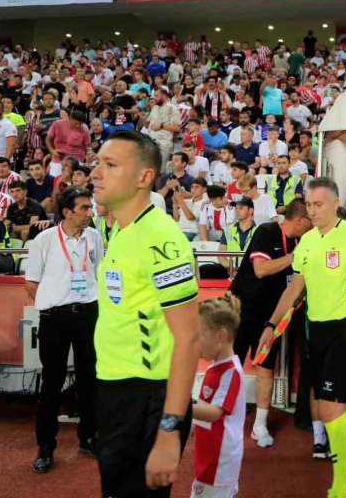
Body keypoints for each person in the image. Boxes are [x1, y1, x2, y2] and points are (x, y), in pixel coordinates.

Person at [258, 177, 346, 498]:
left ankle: (341, 488)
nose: (312, 211)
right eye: (309, 205)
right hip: (315, 331)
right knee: (345, 405)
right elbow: (294, 288)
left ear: (334, 203)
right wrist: (271, 325)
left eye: (318, 205)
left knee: (329, 411)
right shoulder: (307, 243)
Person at [91, 131, 200, 497]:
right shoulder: (121, 231)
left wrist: (169, 430)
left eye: (110, 165)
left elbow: (188, 336)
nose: (96, 173)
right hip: (115, 391)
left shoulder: (162, 239)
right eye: (97, 163)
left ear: (144, 177)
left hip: (148, 399)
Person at [24, 187, 103, 474]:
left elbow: (97, 272)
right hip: (55, 318)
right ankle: (46, 446)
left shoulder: (95, 236)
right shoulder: (44, 240)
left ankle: (89, 438)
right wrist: (55, 302)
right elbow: (31, 283)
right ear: (68, 212)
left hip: (89, 316)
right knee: (51, 385)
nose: (89, 212)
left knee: (90, 381)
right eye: (84, 208)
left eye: (90, 207)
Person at [229, 199, 312, 450]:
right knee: (231, 363)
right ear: (299, 220)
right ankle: (221, 418)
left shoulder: (302, 241)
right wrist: (293, 257)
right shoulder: (267, 231)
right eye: (310, 220)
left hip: (271, 316)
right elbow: (261, 270)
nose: (313, 224)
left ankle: (259, 424)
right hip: (242, 310)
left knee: (265, 366)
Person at [191, 295, 246, 498]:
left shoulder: (231, 372)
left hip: (221, 462)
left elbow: (215, 413)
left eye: (199, 336)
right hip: (208, 455)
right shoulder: (215, 367)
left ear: (220, 335)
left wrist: (180, 406)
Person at [218, 196, 257, 274]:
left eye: (241, 208)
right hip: (231, 272)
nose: (237, 211)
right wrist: (230, 269)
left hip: (252, 273)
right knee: (205, 269)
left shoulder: (260, 230)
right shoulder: (228, 230)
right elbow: (221, 254)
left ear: (250, 210)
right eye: (236, 208)